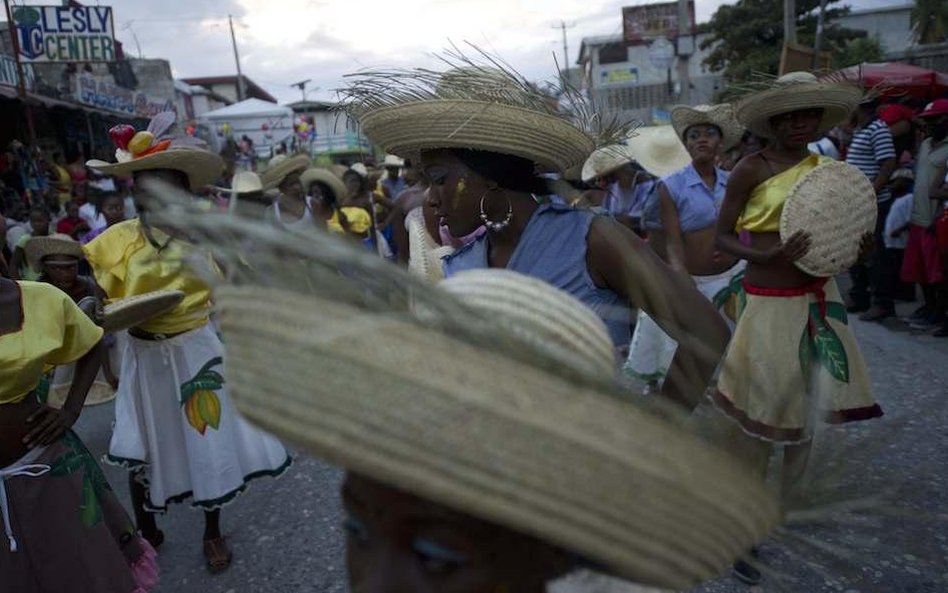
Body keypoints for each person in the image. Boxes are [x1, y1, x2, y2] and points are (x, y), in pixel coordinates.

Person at [346, 63, 731, 409]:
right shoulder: (461, 265)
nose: (430, 199)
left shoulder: (591, 239)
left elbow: (706, 331)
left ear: (488, 175)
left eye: (440, 179)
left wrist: (661, 435)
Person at [83, 121, 292, 573]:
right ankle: (147, 527)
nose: (152, 193)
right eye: (143, 184)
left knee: (207, 434)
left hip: (195, 347)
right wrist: (95, 310)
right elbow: (97, 301)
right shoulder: (112, 242)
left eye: (163, 184)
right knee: (142, 437)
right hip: (140, 350)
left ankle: (212, 532)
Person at [714, 72, 883, 584]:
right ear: (773, 121)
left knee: (808, 413)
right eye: (790, 115)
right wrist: (763, 253)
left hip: (819, 302)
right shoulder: (750, 168)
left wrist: (860, 248)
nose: (800, 122)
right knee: (763, 421)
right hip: (768, 306)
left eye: (809, 114)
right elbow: (723, 239)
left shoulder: (828, 170)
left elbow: (842, 232)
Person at [0, 276, 158, 593]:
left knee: (80, 568)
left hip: (43, 466)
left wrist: (70, 410)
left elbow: (91, 342)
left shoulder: (41, 299)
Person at [661, 103, 746, 322]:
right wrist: (681, 277)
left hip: (737, 276)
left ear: (720, 144)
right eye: (694, 135)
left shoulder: (732, 181)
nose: (701, 139)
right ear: (687, 145)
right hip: (698, 284)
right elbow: (672, 241)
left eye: (709, 134)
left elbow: (744, 230)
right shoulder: (671, 185)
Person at [26, 233, 120, 400]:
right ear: (46, 268)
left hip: (92, 355)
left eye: (70, 267)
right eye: (57, 268)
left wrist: (108, 373)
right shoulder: (37, 291)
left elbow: (100, 331)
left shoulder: (89, 288)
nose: (65, 274)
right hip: (53, 359)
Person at [845, 98, 898, 321]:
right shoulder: (863, 129)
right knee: (857, 252)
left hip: (873, 202)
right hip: (858, 203)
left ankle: (882, 303)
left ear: (859, 107)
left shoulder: (878, 128)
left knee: (876, 255)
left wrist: (872, 192)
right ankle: (860, 297)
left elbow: (888, 163)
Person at [901, 99, 948, 333]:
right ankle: (928, 308)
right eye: (927, 120)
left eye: (934, 120)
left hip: (937, 220)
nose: (928, 124)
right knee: (919, 269)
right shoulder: (927, 143)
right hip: (918, 216)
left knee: (937, 273)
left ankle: (939, 312)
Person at [300, 167, 373, 240]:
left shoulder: (339, 214)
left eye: (319, 193)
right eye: (314, 193)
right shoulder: (307, 214)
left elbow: (350, 238)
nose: (316, 197)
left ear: (327, 194)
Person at [881, 169, 916, 314]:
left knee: (902, 267)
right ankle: (898, 292)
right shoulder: (894, 200)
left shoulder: (909, 198)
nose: (893, 184)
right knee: (894, 268)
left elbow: (910, 219)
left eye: (897, 181)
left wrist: (899, 230)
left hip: (901, 242)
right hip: (892, 242)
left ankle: (907, 294)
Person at [261, 154, 313, 231]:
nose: (297, 187)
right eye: (291, 184)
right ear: (281, 187)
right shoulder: (271, 212)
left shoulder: (313, 204)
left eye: (298, 181)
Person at [9, 206, 50, 281]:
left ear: (48, 220)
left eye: (40, 221)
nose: (36, 224)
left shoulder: (53, 238)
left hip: (51, 281)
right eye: (33, 221)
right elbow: (13, 265)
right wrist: (19, 284)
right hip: (31, 281)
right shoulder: (25, 240)